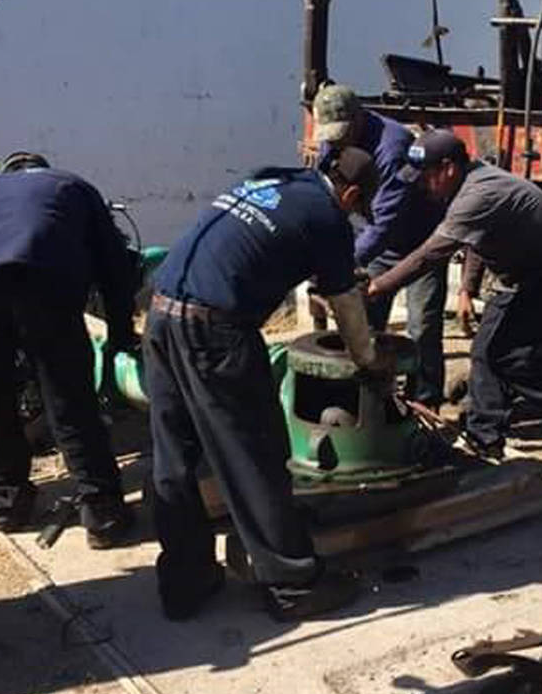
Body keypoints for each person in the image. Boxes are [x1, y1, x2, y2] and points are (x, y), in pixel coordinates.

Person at [145, 148, 385, 622]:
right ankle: (293, 585)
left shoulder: (276, 179)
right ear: (351, 193)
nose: (354, 217)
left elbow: (272, 250)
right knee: (254, 453)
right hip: (215, 330)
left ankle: (185, 580)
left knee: (174, 455)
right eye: (358, 208)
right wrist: (370, 361)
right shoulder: (328, 216)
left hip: (160, 313)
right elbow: (347, 305)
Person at [365, 130, 542, 468]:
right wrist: (467, 288)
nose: (422, 185)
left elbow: (430, 254)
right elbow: (478, 238)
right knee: (484, 351)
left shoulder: (478, 193)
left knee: (506, 353)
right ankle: (485, 439)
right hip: (523, 277)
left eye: (426, 177)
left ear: (448, 168)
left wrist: (379, 286)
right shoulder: (469, 184)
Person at [0, 151, 138, 548]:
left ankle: (4, 503)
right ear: (43, 169)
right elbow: (115, 266)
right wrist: (120, 334)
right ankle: (102, 514)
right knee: (66, 392)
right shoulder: (71, 185)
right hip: (41, 275)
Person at [313, 84, 447, 407]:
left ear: (359, 118)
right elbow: (322, 190)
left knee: (422, 329)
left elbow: (385, 222)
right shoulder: (332, 141)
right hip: (380, 245)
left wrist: (342, 261)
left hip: (421, 245)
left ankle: (425, 406)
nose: (338, 141)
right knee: (365, 325)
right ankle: (370, 400)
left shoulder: (393, 146)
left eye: (343, 133)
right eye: (332, 136)